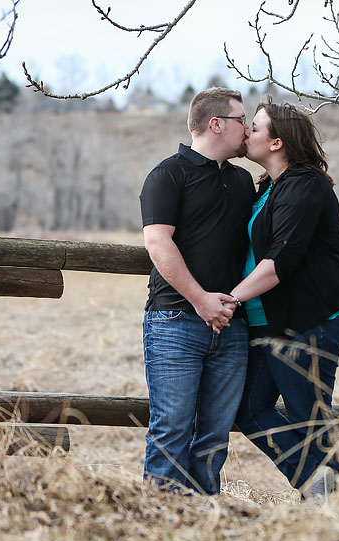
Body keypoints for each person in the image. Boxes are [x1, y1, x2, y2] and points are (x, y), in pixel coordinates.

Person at [226, 100, 339, 504]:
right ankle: (314, 486)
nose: (247, 131)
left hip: (312, 319)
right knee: (247, 408)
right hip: (270, 321)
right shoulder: (269, 186)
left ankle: (326, 508)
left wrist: (230, 299)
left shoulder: (305, 185)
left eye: (256, 127)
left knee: (309, 414)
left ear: (277, 141)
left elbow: (279, 263)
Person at [139, 87, 254, 495]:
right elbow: (158, 243)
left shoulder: (243, 182)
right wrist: (200, 300)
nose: (250, 127)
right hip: (175, 322)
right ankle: (159, 519)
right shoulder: (168, 175)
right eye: (243, 119)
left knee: (214, 435)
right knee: (171, 427)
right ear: (216, 124)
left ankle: (204, 520)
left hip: (230, 325)